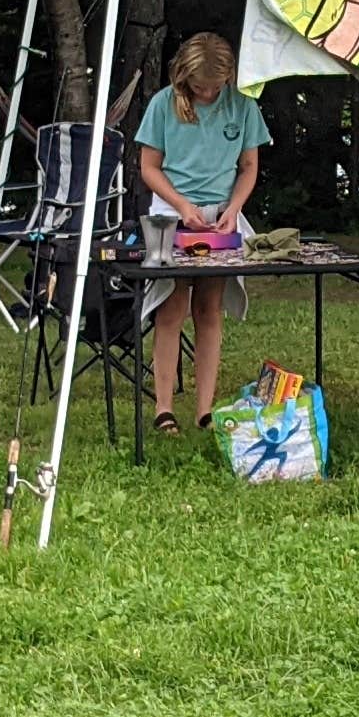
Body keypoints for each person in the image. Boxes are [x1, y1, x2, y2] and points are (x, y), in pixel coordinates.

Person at [134, 30, 266, 437]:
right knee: (170, 310)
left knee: (209, 310)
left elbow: (248, 167)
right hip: (172, 214)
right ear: (183, 78)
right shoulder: (162, 105)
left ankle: (205, 410)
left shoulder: (243, 106)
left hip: (220, 219)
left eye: (214, 86)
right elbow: (149, 168)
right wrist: (181, 206)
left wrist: (234, 208)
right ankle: (164, 408)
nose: (207, 94)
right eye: (199, 87)